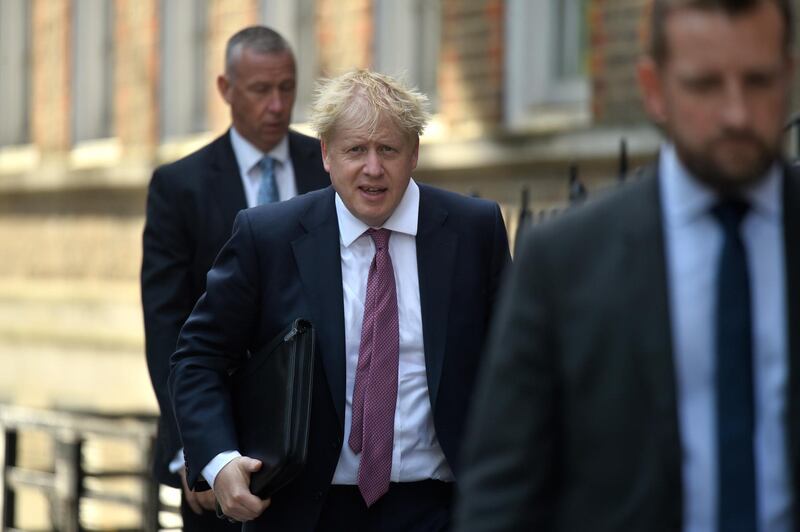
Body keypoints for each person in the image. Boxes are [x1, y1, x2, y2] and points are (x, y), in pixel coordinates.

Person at [454, 0, 800, 530]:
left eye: (758, 81)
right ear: (653, 88)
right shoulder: (564, 262)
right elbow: (502, 498)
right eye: (705, 85)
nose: (736, 113)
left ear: (790, 74)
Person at [168, 69, 511, 531]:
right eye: (355, 150)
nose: (373, 168)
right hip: (304, 512)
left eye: (388, 149)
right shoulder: (267, 236)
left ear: (414, 153)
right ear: (326, 154)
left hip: (441, 509)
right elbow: (197, 358)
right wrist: (220, 460)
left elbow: (516, 367)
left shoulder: (473, 231)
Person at [141, 26, 329, 529]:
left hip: (317, 434)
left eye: (286, 88)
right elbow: (167, 329)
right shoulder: (179, 188)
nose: (276, 105)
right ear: (226, 90)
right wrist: (192, 455)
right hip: (215, 425)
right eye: (260, 90)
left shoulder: (332, 166)